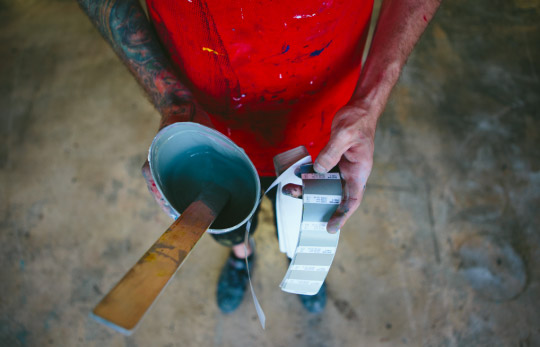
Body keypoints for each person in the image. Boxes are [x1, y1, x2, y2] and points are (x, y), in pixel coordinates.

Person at [77, 0, 441, 314]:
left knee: (307, 219)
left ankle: (297, 258)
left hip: (325, 123)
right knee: (223, 217)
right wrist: (171, 99)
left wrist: (369, 102)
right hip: (208, 124)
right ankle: (241, 254)